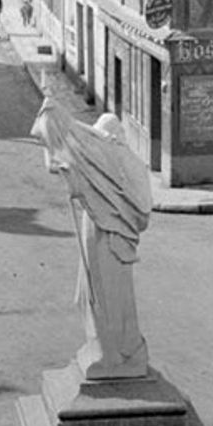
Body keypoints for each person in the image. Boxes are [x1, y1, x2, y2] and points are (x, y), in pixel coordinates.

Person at [31, 96, 152, 380]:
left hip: (110, 236)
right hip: (96, 225)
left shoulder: (120, 162)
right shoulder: (101, 158)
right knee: (91, 292)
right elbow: (65, 165)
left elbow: (136, 206)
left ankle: (121, 354)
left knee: (110, 295)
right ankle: (103, 347)